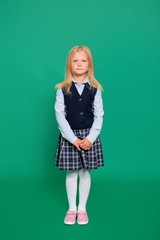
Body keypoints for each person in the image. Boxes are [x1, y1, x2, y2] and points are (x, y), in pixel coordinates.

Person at [54, 46, 104, 225]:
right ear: (70, 64)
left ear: (89, 64)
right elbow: (60, 116)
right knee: (71, 173)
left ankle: (82, 208)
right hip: (70, 137)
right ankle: (71, 208)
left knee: (85, 172)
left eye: (83, 60)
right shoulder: (62, 89)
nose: (79, 64)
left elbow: (99, 116)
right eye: (75, 60)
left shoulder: (95, 89)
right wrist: (73, 139)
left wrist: (90, 139)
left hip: (89, 137)